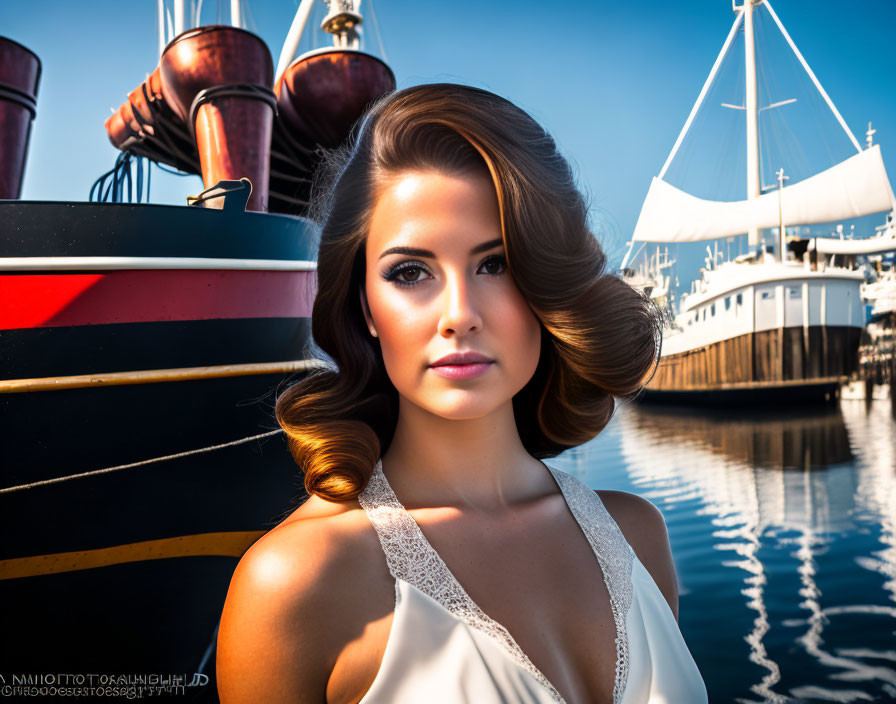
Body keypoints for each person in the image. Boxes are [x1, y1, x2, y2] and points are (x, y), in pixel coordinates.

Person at [216, 83, 708, 703]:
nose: (460, 314)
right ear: (365, 305)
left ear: (544, 283)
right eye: (410, 272)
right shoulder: (296, 583)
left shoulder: (637, 533)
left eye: (495, 264)